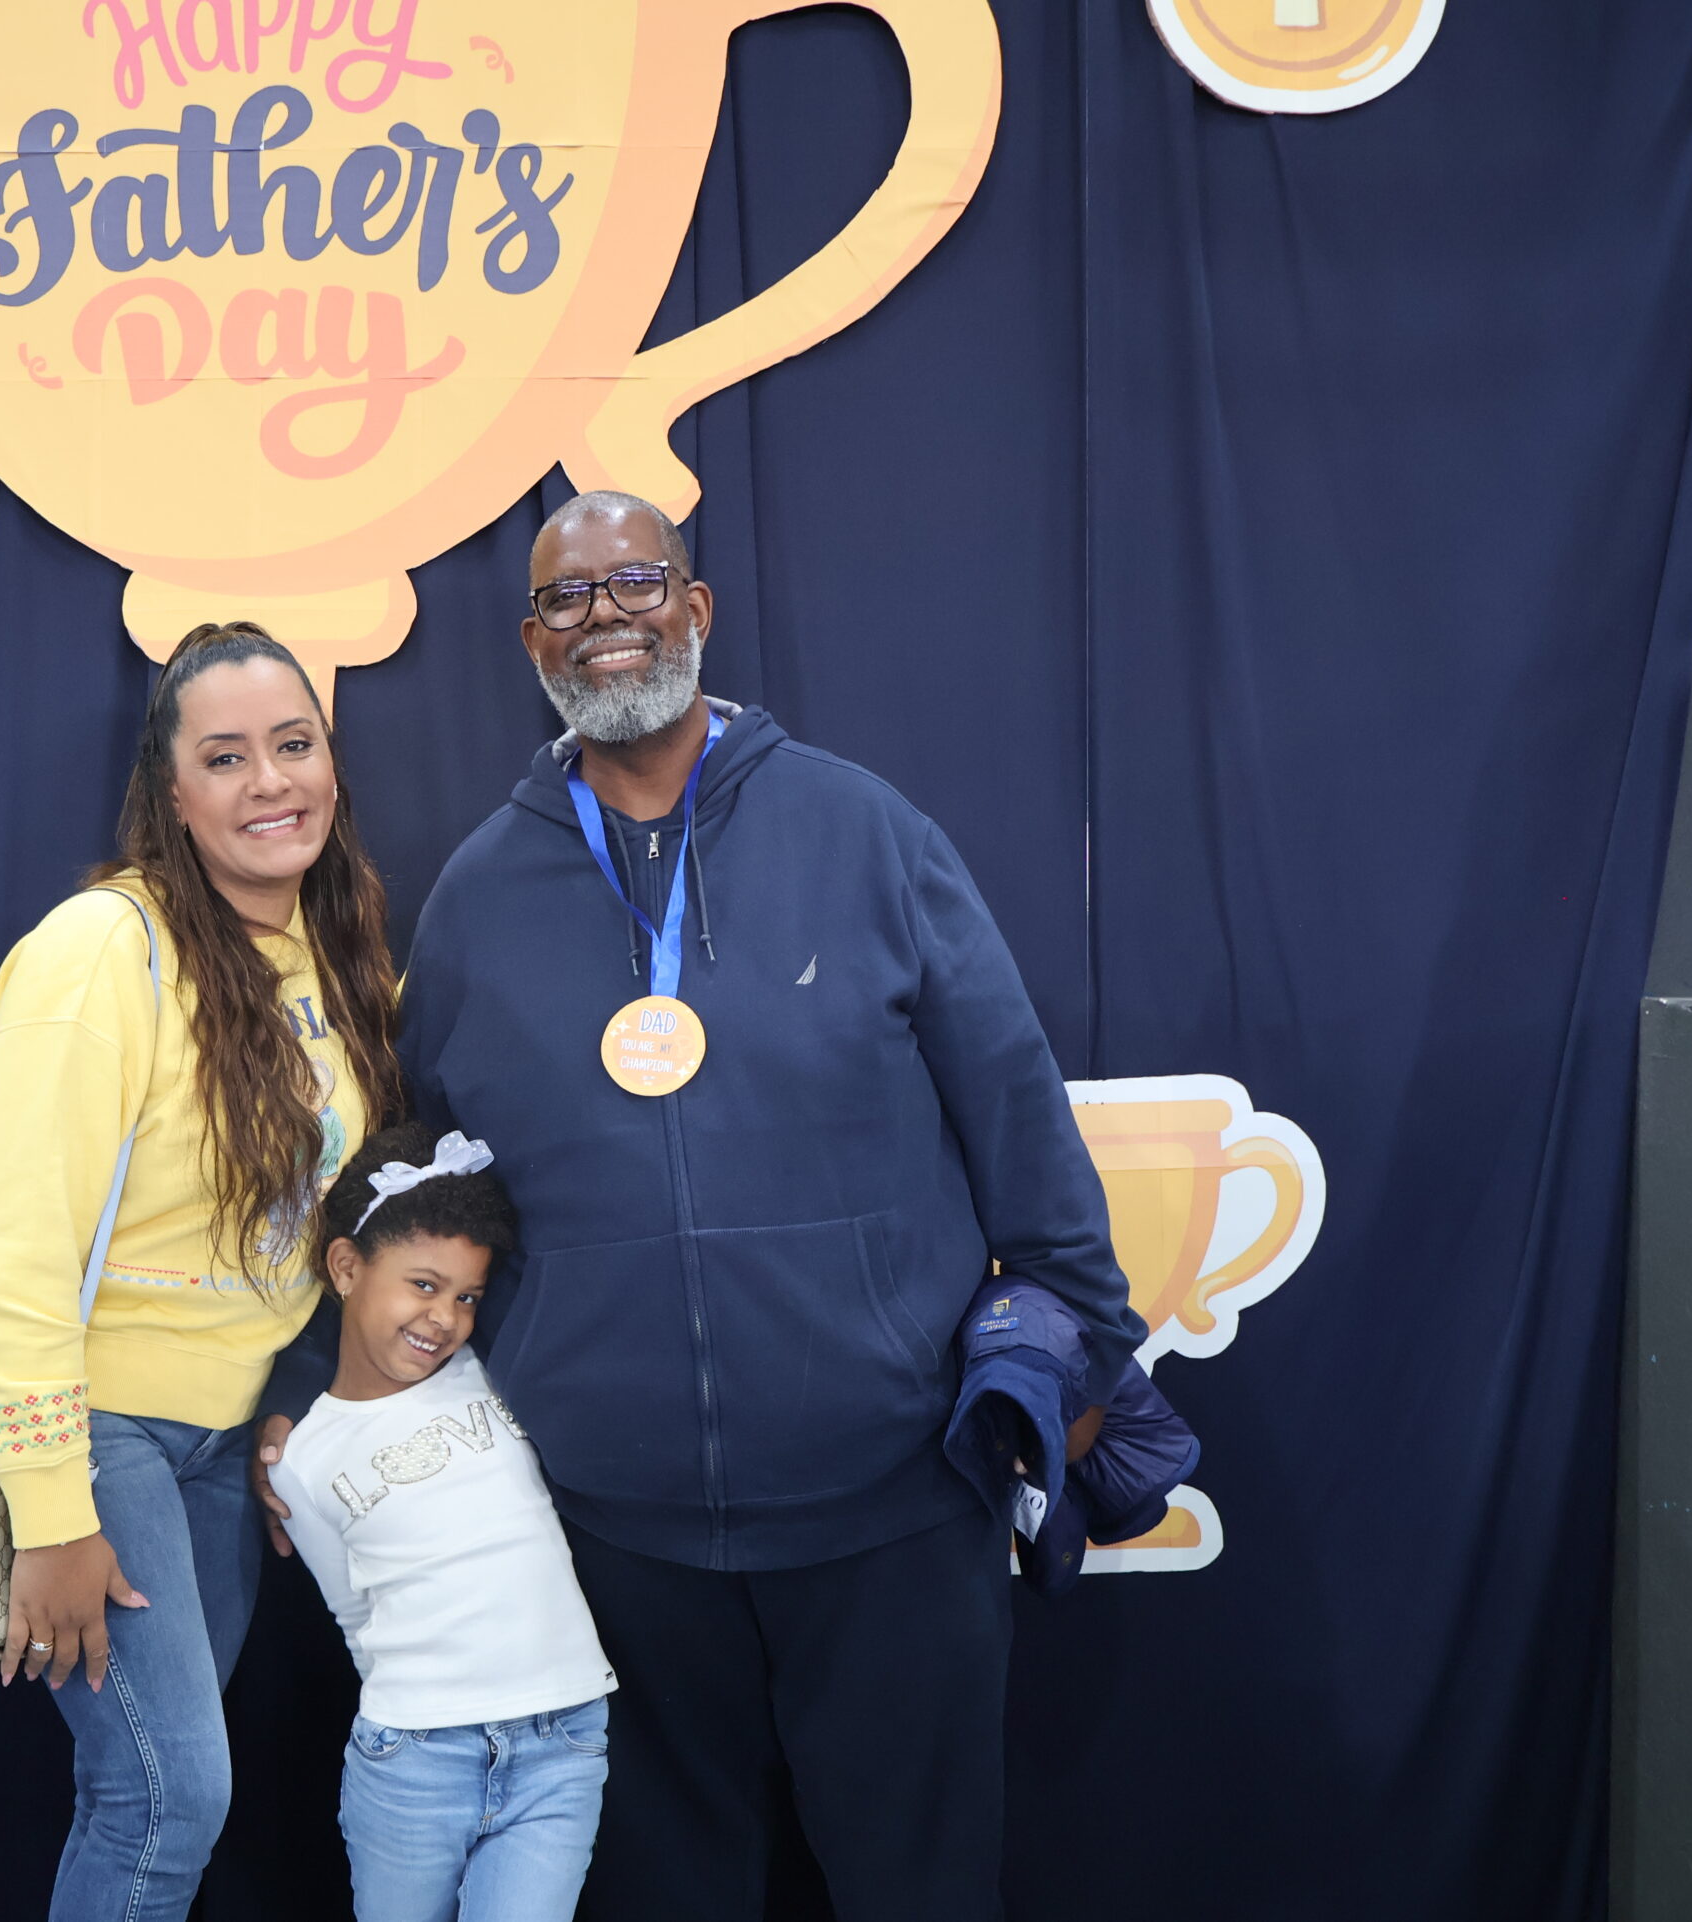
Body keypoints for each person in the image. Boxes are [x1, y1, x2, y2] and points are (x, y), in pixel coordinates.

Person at [258, 493, 1145, 1921]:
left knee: (921, 1893)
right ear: (532, 642)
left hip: (893, 1506)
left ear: (697, 607)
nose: (604, 617)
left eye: (634, 582)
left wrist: (1087, 1346)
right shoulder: (480, 895)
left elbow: (1016, 1109)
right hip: (611, 1537)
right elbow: (416, 1183)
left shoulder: (864, 833)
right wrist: (319, 1381)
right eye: (567, 598)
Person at [0, 620, 400, 1922]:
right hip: (93, 1426)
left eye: (294, 745)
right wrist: (51, 1509)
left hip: (220, 1441)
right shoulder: (101, 947)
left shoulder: (336, 955)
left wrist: (294, 1404)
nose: (270, 781)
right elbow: (13, 1246)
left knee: (142, 1795)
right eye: (227, 756)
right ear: (174, 792)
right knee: (166, 1797)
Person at [269, 1122, 616, 1922]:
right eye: (423, 1285)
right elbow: (352, 1615)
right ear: (346, 1267)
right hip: (414, 1760)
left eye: (466, 1297)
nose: (445, 1317)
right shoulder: (299, 1458)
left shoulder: (490, 1373)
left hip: (562, 1741)